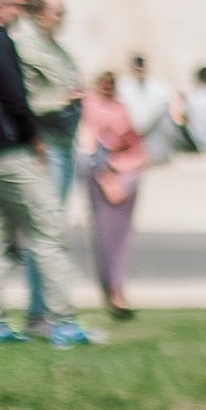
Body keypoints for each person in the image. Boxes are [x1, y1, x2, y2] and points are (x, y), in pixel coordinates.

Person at [0, 0, 95, 348]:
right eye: (18, 6)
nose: (23, 13)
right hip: (13, 152)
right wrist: (34, 138)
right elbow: (17, 99)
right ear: (2, 8)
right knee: (49, 230)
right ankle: (62, 321)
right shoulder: (2, 44)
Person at [79, 71, 146, 314]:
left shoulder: (122, 107)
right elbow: (88, 144)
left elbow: (133, 139)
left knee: (121, 236)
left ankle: (117, 288)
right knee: (105, 234)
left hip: (126, 172)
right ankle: (112, 289)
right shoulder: (89, 106)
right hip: (100, 173)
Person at [17, 0, 83, 205]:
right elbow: (21, 99)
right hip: (43, 145)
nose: (62, 18)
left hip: (64, 142)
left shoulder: (59, 50)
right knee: (45, 217)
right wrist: (60, 100)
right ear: (40, 15)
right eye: (58, 13)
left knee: (55, 216)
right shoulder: (25, 48)